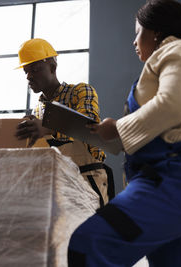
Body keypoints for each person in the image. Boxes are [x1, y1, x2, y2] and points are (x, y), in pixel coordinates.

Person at [67, 0, 181, 266]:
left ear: (155, 32)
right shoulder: (180, 55)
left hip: (174, 182)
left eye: (137, 32)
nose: (134, 41)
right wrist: (115, 137)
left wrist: (118, 127)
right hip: (178, 184)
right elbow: (169, 123)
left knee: (90, 244)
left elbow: (173, 104)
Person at [15, 38, 114, 207]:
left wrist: (47, 129)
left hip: (87, 180)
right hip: (56, 186)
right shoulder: (37, 111)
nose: (29, 76)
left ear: (52, 68)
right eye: (26, 71)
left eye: (35, 69)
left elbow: (90, 129)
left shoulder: (81, 92)